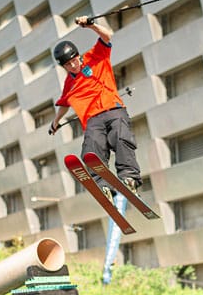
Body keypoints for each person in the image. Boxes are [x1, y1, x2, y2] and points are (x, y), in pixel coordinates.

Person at [49, 16, 141, 203]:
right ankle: (103, 186)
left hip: (113, 109)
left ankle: (129, 178)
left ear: (78, 56)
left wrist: (91, 25)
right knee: (92, 149)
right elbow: (65, 104)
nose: (73, 66)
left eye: (74, 60)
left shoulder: (96, 56)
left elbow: (108, 36)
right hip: (92, 120)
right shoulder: (69, 83)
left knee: (121, 137)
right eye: (68, 65)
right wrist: (55, 122)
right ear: (63, 66)